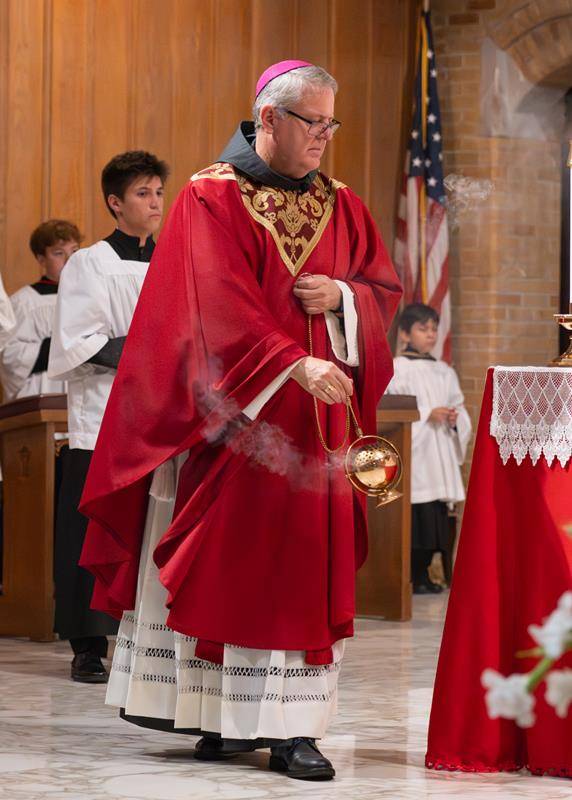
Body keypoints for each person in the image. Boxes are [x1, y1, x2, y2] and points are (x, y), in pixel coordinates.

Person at [79, 61, 402, 780]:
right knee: (234, 566)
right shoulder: (208, 196)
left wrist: (345, 299)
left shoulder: (342, 203)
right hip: (235, 420)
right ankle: (222, 720)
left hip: (318, 427)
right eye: (311, 122)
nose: (324, 137)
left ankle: (292, 728)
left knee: (296, 570)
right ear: (269, 119)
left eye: (331, 123)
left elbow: (385, 288)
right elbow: (209, 302)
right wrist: (293, 363)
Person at [47, 151, 169, 683]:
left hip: (162, 419)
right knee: (92, 528)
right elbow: (81, 341)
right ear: (115, 203)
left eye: (160, 193)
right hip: (102, 418)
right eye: (143, 194)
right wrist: (152, 351)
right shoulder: (90, 263)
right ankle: (87, 644)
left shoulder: (175, 262)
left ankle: (141, 636)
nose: (156, 203)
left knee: (147, 530)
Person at [386, 303, 472, 594]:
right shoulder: (396, 368)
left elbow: (459, 406)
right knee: (414, 519)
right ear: (406, 334)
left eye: (434, 329)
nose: (431, 335)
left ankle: (426, 574)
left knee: (435, 518)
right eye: (423, 329)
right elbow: (388, 411)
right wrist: (426, 415)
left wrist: (453, 418)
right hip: (415, 454)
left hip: (439, 454)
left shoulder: (444, 371)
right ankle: (410, 576)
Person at [0, 220, 82, 401]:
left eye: (74, 251)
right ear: (41, 259)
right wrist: (60, 346)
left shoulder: (89, 298)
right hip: (41, 395)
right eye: (59, 253)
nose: (69, 260)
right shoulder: (24, 302)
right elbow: (10, 358)